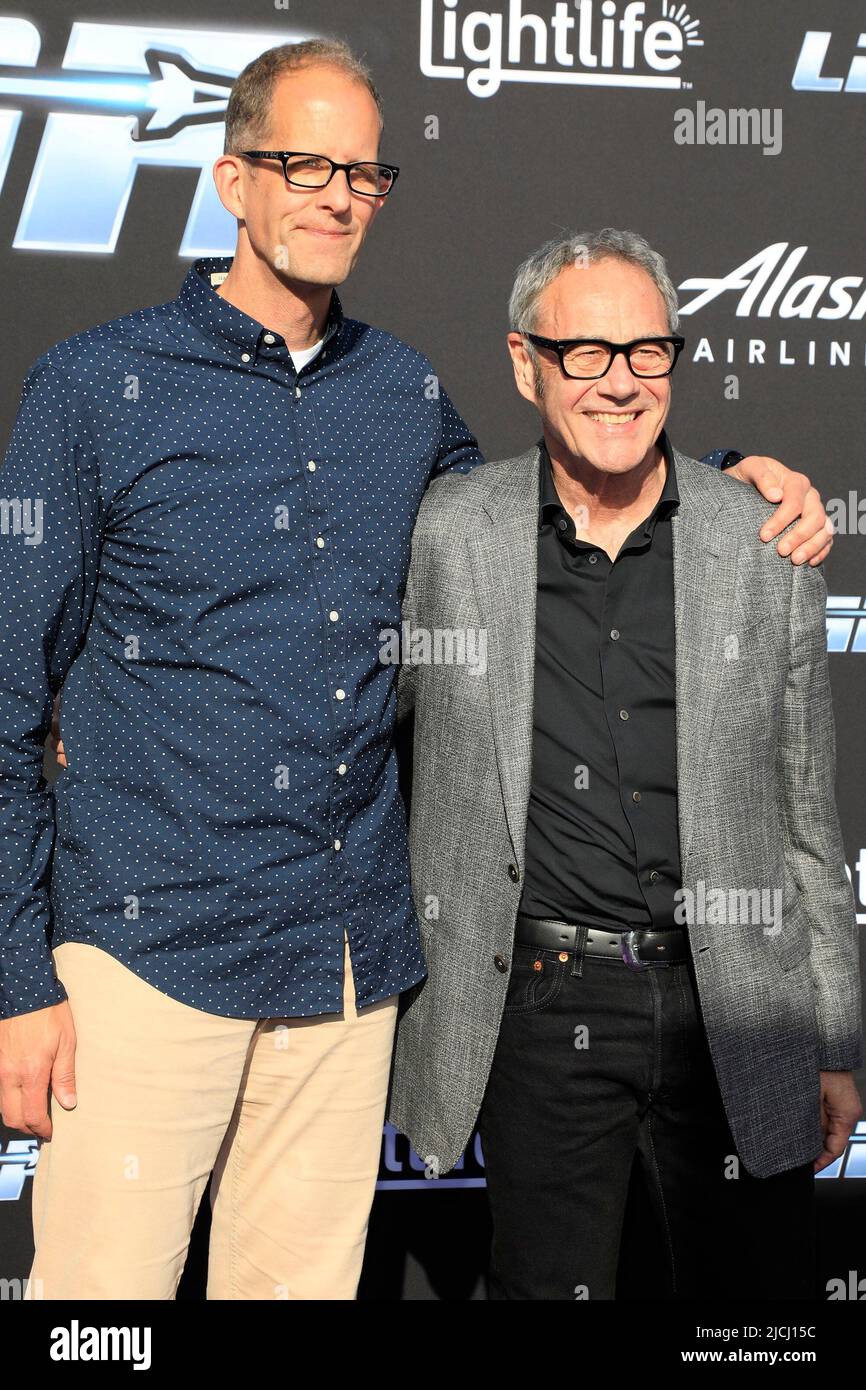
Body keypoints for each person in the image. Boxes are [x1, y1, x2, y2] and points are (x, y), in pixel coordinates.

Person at [0, 38, 833, 1299]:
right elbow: (9, 696)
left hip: (342, 976)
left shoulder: (400, 392)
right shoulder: (91, 390)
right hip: (146, 956)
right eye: (303, 163)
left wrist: (730, 482)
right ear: (233, 180)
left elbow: (559, 495)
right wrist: (17, 981)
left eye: (364, 172)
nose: (337, 193)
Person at [387, 228, 863, 1300]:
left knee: (754, 1324)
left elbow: (804, 812)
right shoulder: (449, 534)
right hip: (541, 1008)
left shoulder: (761, 542)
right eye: (585, 353)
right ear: (524, 364)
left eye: (646, 352)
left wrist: (833, 1037)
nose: (619, 382)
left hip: (736, 1007)